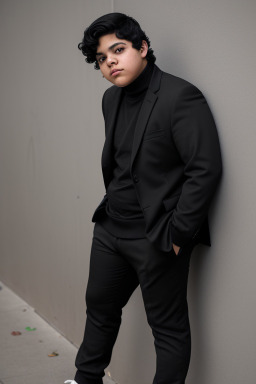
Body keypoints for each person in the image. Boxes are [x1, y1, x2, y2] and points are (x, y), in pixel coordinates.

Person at [65, 12, 222, 384]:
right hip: (109, 230)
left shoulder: (180, 96)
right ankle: (85, 380)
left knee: (167, 330)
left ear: (143, 48)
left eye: (117, 50)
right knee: (99, 309)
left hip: (156, 236)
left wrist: (178, 235)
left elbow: (205, 168)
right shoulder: (110, 100)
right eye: (102, 58)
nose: (110, 62)